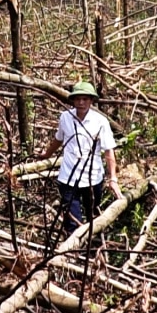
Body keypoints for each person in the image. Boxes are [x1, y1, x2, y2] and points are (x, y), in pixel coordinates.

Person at [38, 81, 122, 235]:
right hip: (68, 177)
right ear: (73, 100)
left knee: (93, 215)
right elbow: (59, 139)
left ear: (91, 101)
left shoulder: (100, 121)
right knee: (72, 220)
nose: (81, 103)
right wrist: (46, 154)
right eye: (78, 99)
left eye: (85, 99)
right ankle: (73, 252)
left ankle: (92, 246)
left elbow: (109, 151)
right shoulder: (65, 117)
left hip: (93, 177)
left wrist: (113, 179)